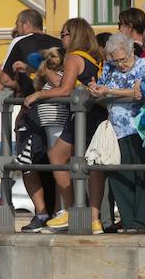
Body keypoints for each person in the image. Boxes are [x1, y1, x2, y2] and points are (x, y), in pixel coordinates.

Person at [25, 18, 106, 234]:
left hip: (81, 116)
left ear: (75, 35)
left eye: (64, 34)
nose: (61, 38)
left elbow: (65, 89)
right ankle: (94, 219)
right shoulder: (96, 57)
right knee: (94, 164)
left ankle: (71, 210)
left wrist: (38, 93)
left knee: (57, 156)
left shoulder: (73, 57)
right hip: (99, 115)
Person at [0, 9, 64, 231]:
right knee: (59, 163)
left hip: (34, 110)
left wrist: (19, 87)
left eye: (18, 24)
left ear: (26, 24)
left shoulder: (19, 42)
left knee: (26, 162)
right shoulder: (58, 42)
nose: (16, 29)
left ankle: (41, 213)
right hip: (61, 110)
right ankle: (59, 213)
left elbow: (4, 78)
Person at [88, 32, 145, 233]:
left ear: (131, 51)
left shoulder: (144, 64)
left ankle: (141, 221)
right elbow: (102, 87)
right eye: (116, 61)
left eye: (124, 59)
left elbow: (140, 92)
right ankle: (128, 221)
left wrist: (109, 92)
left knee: (140, 174)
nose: (121, 65)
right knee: (118, 176)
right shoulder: (109, 67)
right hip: (115, 131)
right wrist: (94, 88)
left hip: (139, 127)